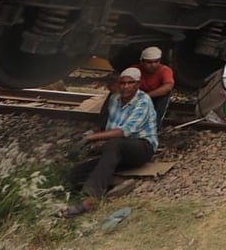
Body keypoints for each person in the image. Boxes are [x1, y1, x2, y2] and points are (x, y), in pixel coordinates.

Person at [62, 67, 157, 218]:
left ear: (137, 85)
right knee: (74, 174)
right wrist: (87, 136)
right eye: (122, 83)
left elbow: (124, 132)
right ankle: (120, 182)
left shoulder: (143, 101)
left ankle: (91, 199)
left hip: (141, 148)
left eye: (130, 83)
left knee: (115, 143)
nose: (125, 87)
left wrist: (91, 139)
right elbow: (109, 127)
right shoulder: (114, 99)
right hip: (117, 151)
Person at [133, 46, 174, 126]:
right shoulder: (135, 69)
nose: (153, 65)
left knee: (165, 95)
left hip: (155, 96)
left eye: (156, 62)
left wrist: (146, 96)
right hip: (137, 95)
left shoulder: (165, 70)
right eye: (149, 62)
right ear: (142, 62)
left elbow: (168, 87)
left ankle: (154, 126)